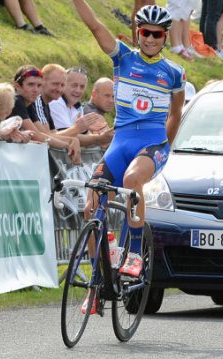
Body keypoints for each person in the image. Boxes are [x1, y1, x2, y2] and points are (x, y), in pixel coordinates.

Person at [72, 1, 185, 288]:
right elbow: (95, 25)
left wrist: (165, 147)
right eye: (145, 32)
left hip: (152, 143)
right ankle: (100, 278)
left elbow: (176, 113)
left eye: (157, 34)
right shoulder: (123, 57)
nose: (149, 38)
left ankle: (135, 251)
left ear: (165, 37)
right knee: (90, 206)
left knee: (132, 179)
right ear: (137, 32)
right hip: (121, 141)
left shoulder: (174, 72)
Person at [11, 65, 82, 161]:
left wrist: (72, 140)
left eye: (39, 85)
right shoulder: (17, 100)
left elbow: (45, 134)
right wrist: (68, 144)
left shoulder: (29, 103)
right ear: (17, 86)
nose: (36, 90)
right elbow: (37, 135)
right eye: (31, 85)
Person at [50, 67, 113, 147]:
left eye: (82, 87)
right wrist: (100, 138)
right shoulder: (56, 102)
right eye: (74, 85)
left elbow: (84, 136)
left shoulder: (78, 107)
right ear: (63, 84)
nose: (78, 90)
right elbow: (66, 136)